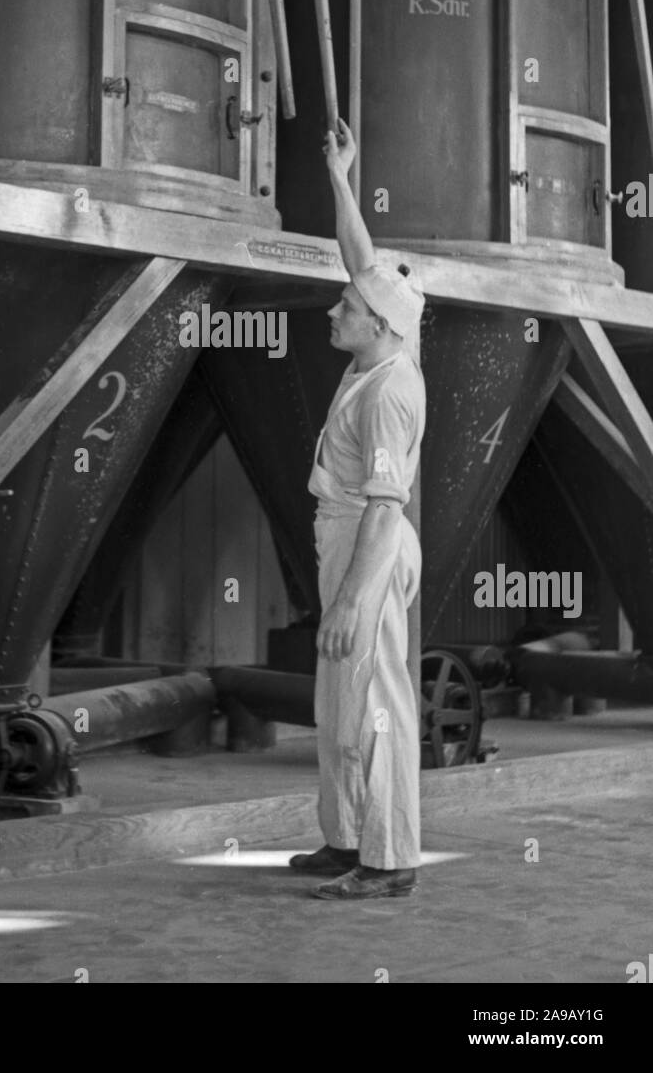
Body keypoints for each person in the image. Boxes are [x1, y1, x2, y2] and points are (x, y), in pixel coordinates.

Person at [289, 117, 426, 900]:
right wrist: (342, 174)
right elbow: (361, 259)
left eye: (343, 309)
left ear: (375, 325)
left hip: (366, 544)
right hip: (344, 535)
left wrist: (348, 600)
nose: (331, 313)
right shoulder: (385, 336)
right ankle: (345, 841)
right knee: (339, 699)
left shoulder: (388, 396)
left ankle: (390, 859)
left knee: (375, 703)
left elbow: (383, 509)